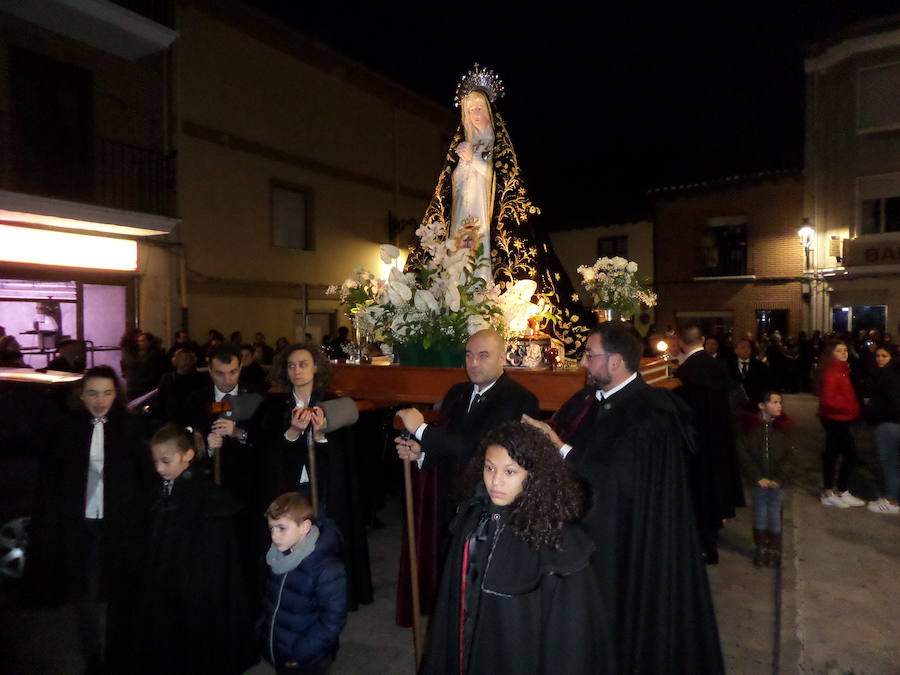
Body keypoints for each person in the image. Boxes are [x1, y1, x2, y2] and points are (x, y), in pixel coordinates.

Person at [523, 322, 724, 674]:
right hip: (584, 540)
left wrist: (561, 449)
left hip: (627, 548)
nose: (584, 363)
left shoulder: (651, 413)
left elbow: (619, 481)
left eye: (590, 355)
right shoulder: (589, 399)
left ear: (615, 361)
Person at [422, 421, 611, 674]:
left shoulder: (555, 542)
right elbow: (453, 604)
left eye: (510, 472)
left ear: (533, 476)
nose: (495, 481)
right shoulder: (474, 519)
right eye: (489, 468)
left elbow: (569, 640)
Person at [394, 329, 539, 625]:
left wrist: (422, 430)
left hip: (490, 506)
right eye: (469, 355)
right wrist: (421, 453)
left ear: (502, 358)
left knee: (479, 592)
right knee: (450, 582)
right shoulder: (456, 393)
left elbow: (477, 448)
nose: (473, 363)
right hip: (450, 501)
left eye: (483, 356)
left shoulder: (519, 399)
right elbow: (447, 445)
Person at [28, 365, 152, 672]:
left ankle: (118, 652)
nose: (100, 400)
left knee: (117, 592)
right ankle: (93, 656)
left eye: (107, 393)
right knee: (84, 592)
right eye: (93, 393)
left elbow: (142, 479)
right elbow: (53, 479)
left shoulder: (129, 428)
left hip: (117, 523)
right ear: (81, 395)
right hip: (79, 523)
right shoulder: (66, 429)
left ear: (116, 394)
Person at [254, 343, 371, 609]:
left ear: (316, 367)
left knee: (321, 547)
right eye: (292, 365)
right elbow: (270, 454)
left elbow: (340, 457)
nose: (297, 371)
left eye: (304, 364)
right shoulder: (275, 407)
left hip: (324, 491)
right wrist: (293, 433)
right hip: (290, 490)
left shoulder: (331, 404)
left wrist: (319, 437)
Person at [136, 424, 255, 674]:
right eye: (155, 461)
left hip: (194, 587)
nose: (159, 468)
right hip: (172, 583)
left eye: (166, 461)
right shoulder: (168, 486)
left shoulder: (203, 498)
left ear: (188, 455)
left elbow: (213, 556)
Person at [675, 324, 744, 565]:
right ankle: (712, 538)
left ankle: (704, 546)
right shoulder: (716, 365)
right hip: (719, 439)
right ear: (703, 340)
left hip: (698, 444)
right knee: (714, 491)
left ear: (681, 344)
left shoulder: (685, 373)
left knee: (700, 494)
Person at [257, 492, 348, 675]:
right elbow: (272, 600)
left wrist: (301, 650)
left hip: (308, 657)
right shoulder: (278, 556)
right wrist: (262, 628)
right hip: (280, 648)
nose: (274, 537)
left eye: (282, 528)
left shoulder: (327, 569)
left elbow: (332, 620)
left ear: (305, 527)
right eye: (271, 528)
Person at [735, 391, 797, 567]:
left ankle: (775, 549)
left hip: (778, 481)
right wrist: (757, 477)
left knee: (774, 512)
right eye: (775, 402)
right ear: (762, 405)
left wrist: (779, 477)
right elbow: (743, 455)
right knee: (760, 512)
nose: (779, 406)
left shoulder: (783, 427)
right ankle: (761, 547)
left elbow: (790, 455)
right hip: (759, 480)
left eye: (780, 402)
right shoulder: (748, 428)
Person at [817, 340, 866, 508]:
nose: (844, 353)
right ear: (831, 353)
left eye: (845, 350)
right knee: (850, 454)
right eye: (839, 350)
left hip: (840, 419)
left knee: (832, 453)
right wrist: (851, 408)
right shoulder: (833, 373)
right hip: (835, 419)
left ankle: (832, 490)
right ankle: (837, 490)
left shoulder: (843, 371)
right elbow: (828, 401)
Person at [862, 345, 900, 514]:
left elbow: (891, 403)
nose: (880, 359)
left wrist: (871, 410)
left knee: (889, 463)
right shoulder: (887, 374)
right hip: (889, 423)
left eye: (884, 356)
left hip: (888, 424)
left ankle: (891, 500)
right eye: (877, 355)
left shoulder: (888, 376)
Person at [727, 337, 771, 405]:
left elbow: (766, 385)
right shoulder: (728, 365)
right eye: (743, 347)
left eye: (748, 347)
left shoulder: (760, 366)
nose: (746, 350)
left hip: (755, 402)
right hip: (734, 402)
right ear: (736, 350)